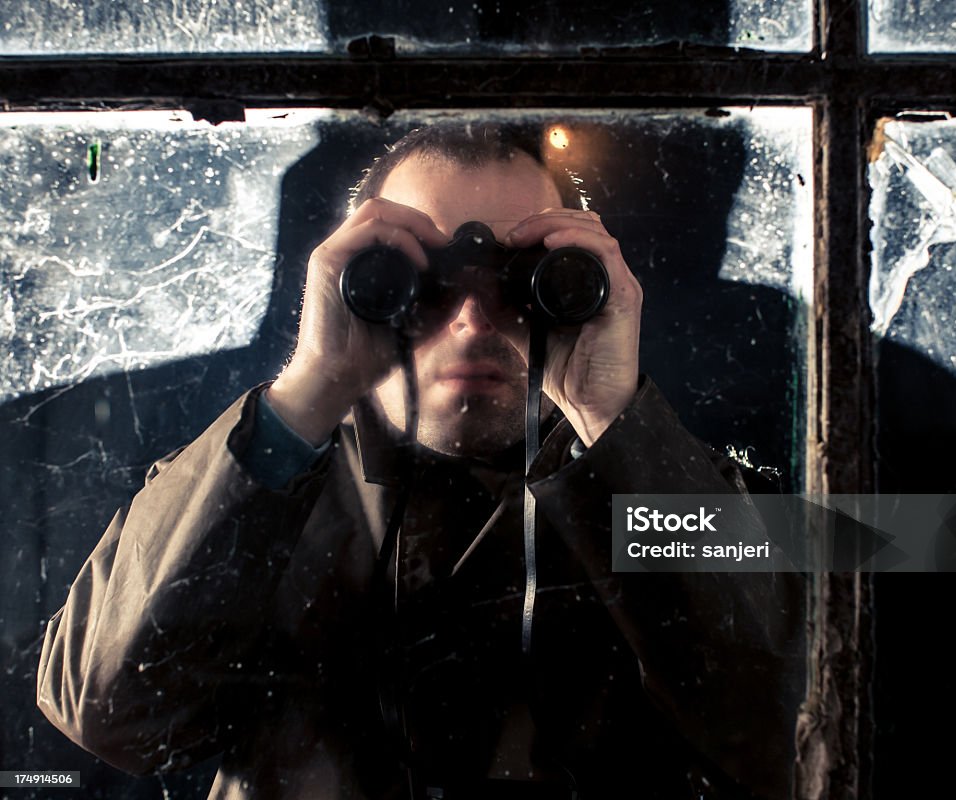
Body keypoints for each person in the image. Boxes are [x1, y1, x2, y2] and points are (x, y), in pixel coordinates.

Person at [36, 122, 803, 799]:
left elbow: (801, 731)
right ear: (354, 287)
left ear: (578, 290)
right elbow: (107, 716)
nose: (471, 319)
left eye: (517, 279)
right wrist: (308, 391)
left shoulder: (672, 479)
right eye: (419, 279)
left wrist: (613, 418)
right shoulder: (256, 480)